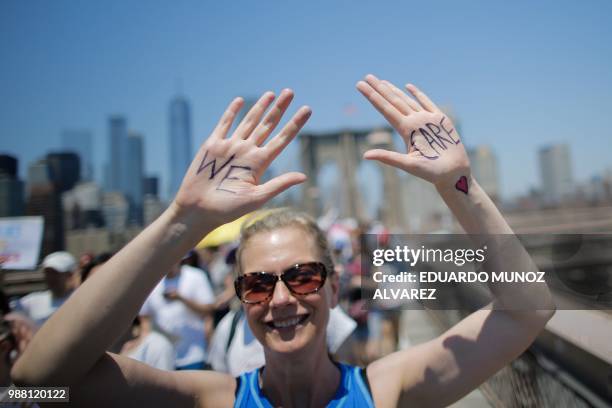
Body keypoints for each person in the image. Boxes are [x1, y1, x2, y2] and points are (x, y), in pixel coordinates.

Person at [12, 81, 555, 407]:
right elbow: (37, 384)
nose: (280, 300)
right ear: (239, 295)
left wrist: (459, 186)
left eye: (303, 276)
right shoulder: (209, 398)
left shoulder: (389, 389)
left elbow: (527, 311)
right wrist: (181, 221)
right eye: (256, 284)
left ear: (334, 285)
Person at [139, 262, 216, 370]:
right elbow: (145, 319)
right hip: (163, 360)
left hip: (194, 355)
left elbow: (208, 309)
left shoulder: (195, 276)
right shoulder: (151, 282)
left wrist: (181, 298)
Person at [10, 251, 79, 326]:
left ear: (69, 274)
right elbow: (9, 311)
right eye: (47, 272)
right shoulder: (32, 301)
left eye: (55, 273)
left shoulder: (80, 301)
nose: (50, 277)